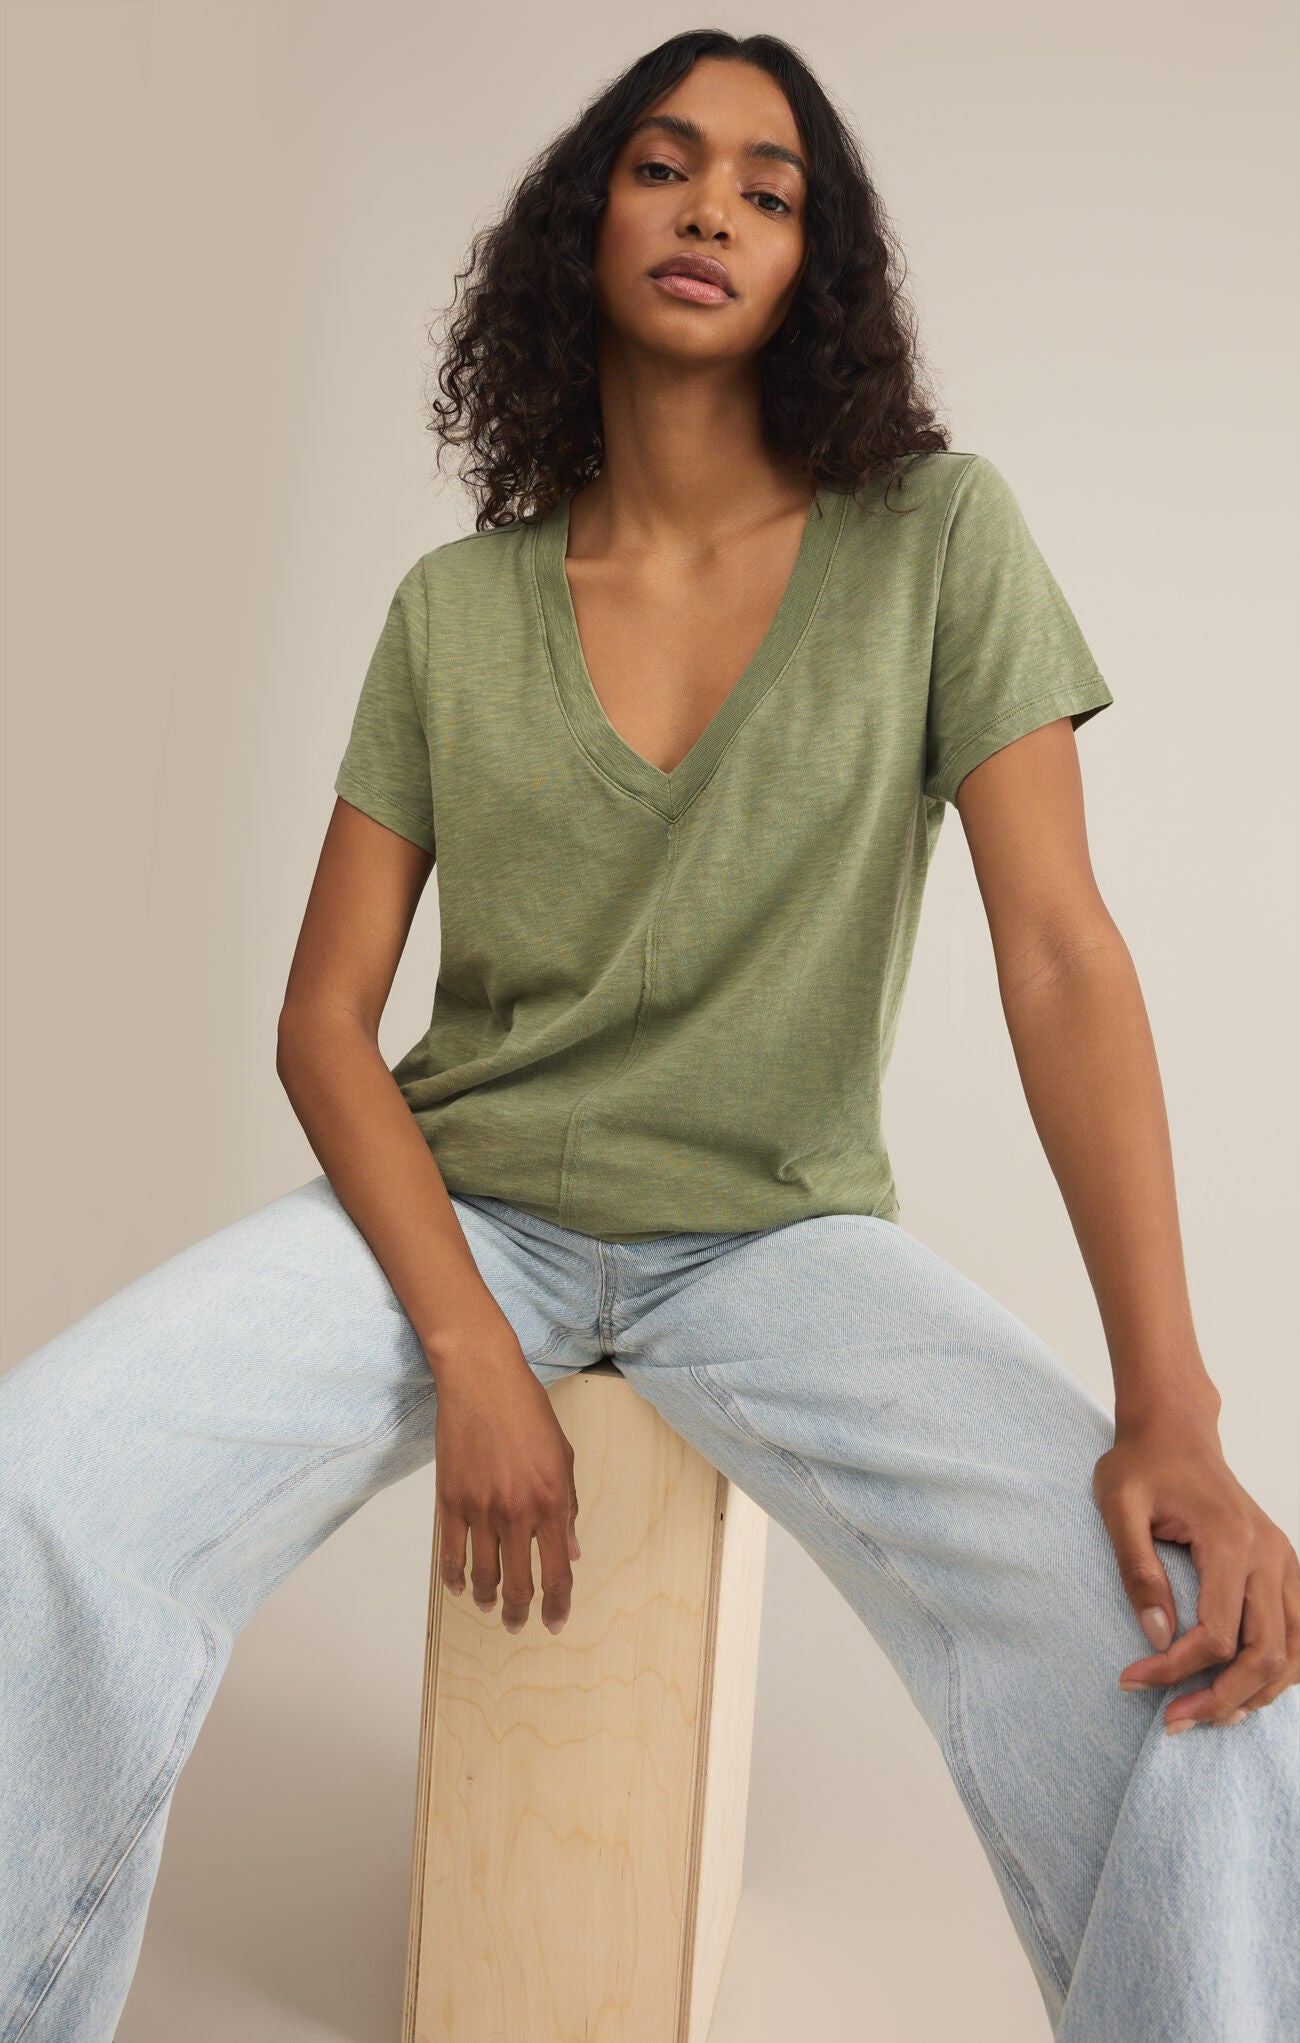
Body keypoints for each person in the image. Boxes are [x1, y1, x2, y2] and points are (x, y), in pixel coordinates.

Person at [2, 28, 1296, 2043]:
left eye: (771, 190)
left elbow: (1059, 956)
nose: (712, 209)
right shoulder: (455, 609)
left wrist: (1172, 1403)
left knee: (1198, 1645)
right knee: (41, 1486)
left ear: (814, 266)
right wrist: (465, 1343)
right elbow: (324, 1021)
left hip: (777, 1240)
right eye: (665, 165)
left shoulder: (936, 539)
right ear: (581, 221)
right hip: (463, 1219)